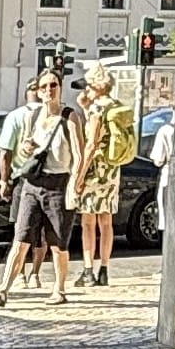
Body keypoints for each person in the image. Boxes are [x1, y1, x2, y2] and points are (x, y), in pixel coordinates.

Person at [0, 69, 78, 308]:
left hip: (58, 185)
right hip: (32, 183)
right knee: (21, 238)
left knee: (58, 243)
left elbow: (78, 156)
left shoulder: (70, 117)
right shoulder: (32, 116)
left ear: (60, 88)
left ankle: (59, 289)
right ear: (37, 91)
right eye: (44, 87)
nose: (48, 90)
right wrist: (27, 148)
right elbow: (24, 148)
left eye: (53, 85)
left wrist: (75, 187)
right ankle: (3, 289)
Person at [72, 64, 138, 287]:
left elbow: (90, 145)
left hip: (94, 170)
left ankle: (88, 270)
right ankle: (104, 270)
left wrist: (79, 177)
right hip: (112, 171)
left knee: (88, 223)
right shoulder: (115, 107)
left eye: (88, 86)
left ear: (95, 87)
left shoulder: (96, 111)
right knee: (106, 222)